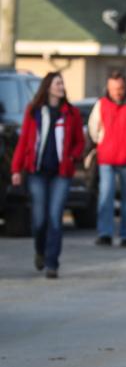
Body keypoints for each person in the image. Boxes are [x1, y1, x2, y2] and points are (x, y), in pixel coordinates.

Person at [10, 72, 85, 279]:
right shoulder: (33, 111)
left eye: (62, 83)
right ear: (48, 87)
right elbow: (24, 140)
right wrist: (16, 169)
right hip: (37, 172)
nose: (61, 86)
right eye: (57, 83)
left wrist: (72, 156)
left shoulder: (71, 112)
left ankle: (52, 264)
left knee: (55, 218)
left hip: (61, 173)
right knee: (39, 220)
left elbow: (80, 141)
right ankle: (40, 251)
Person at [89, 70, 126, 247]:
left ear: (125, 86)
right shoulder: (101, 104)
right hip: (106, 158)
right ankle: (105, 233)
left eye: (120, 88)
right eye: (113, 88)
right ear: (108, 87)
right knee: (105, 197)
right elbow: (93, 128)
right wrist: (102, 142)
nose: (117, 92)